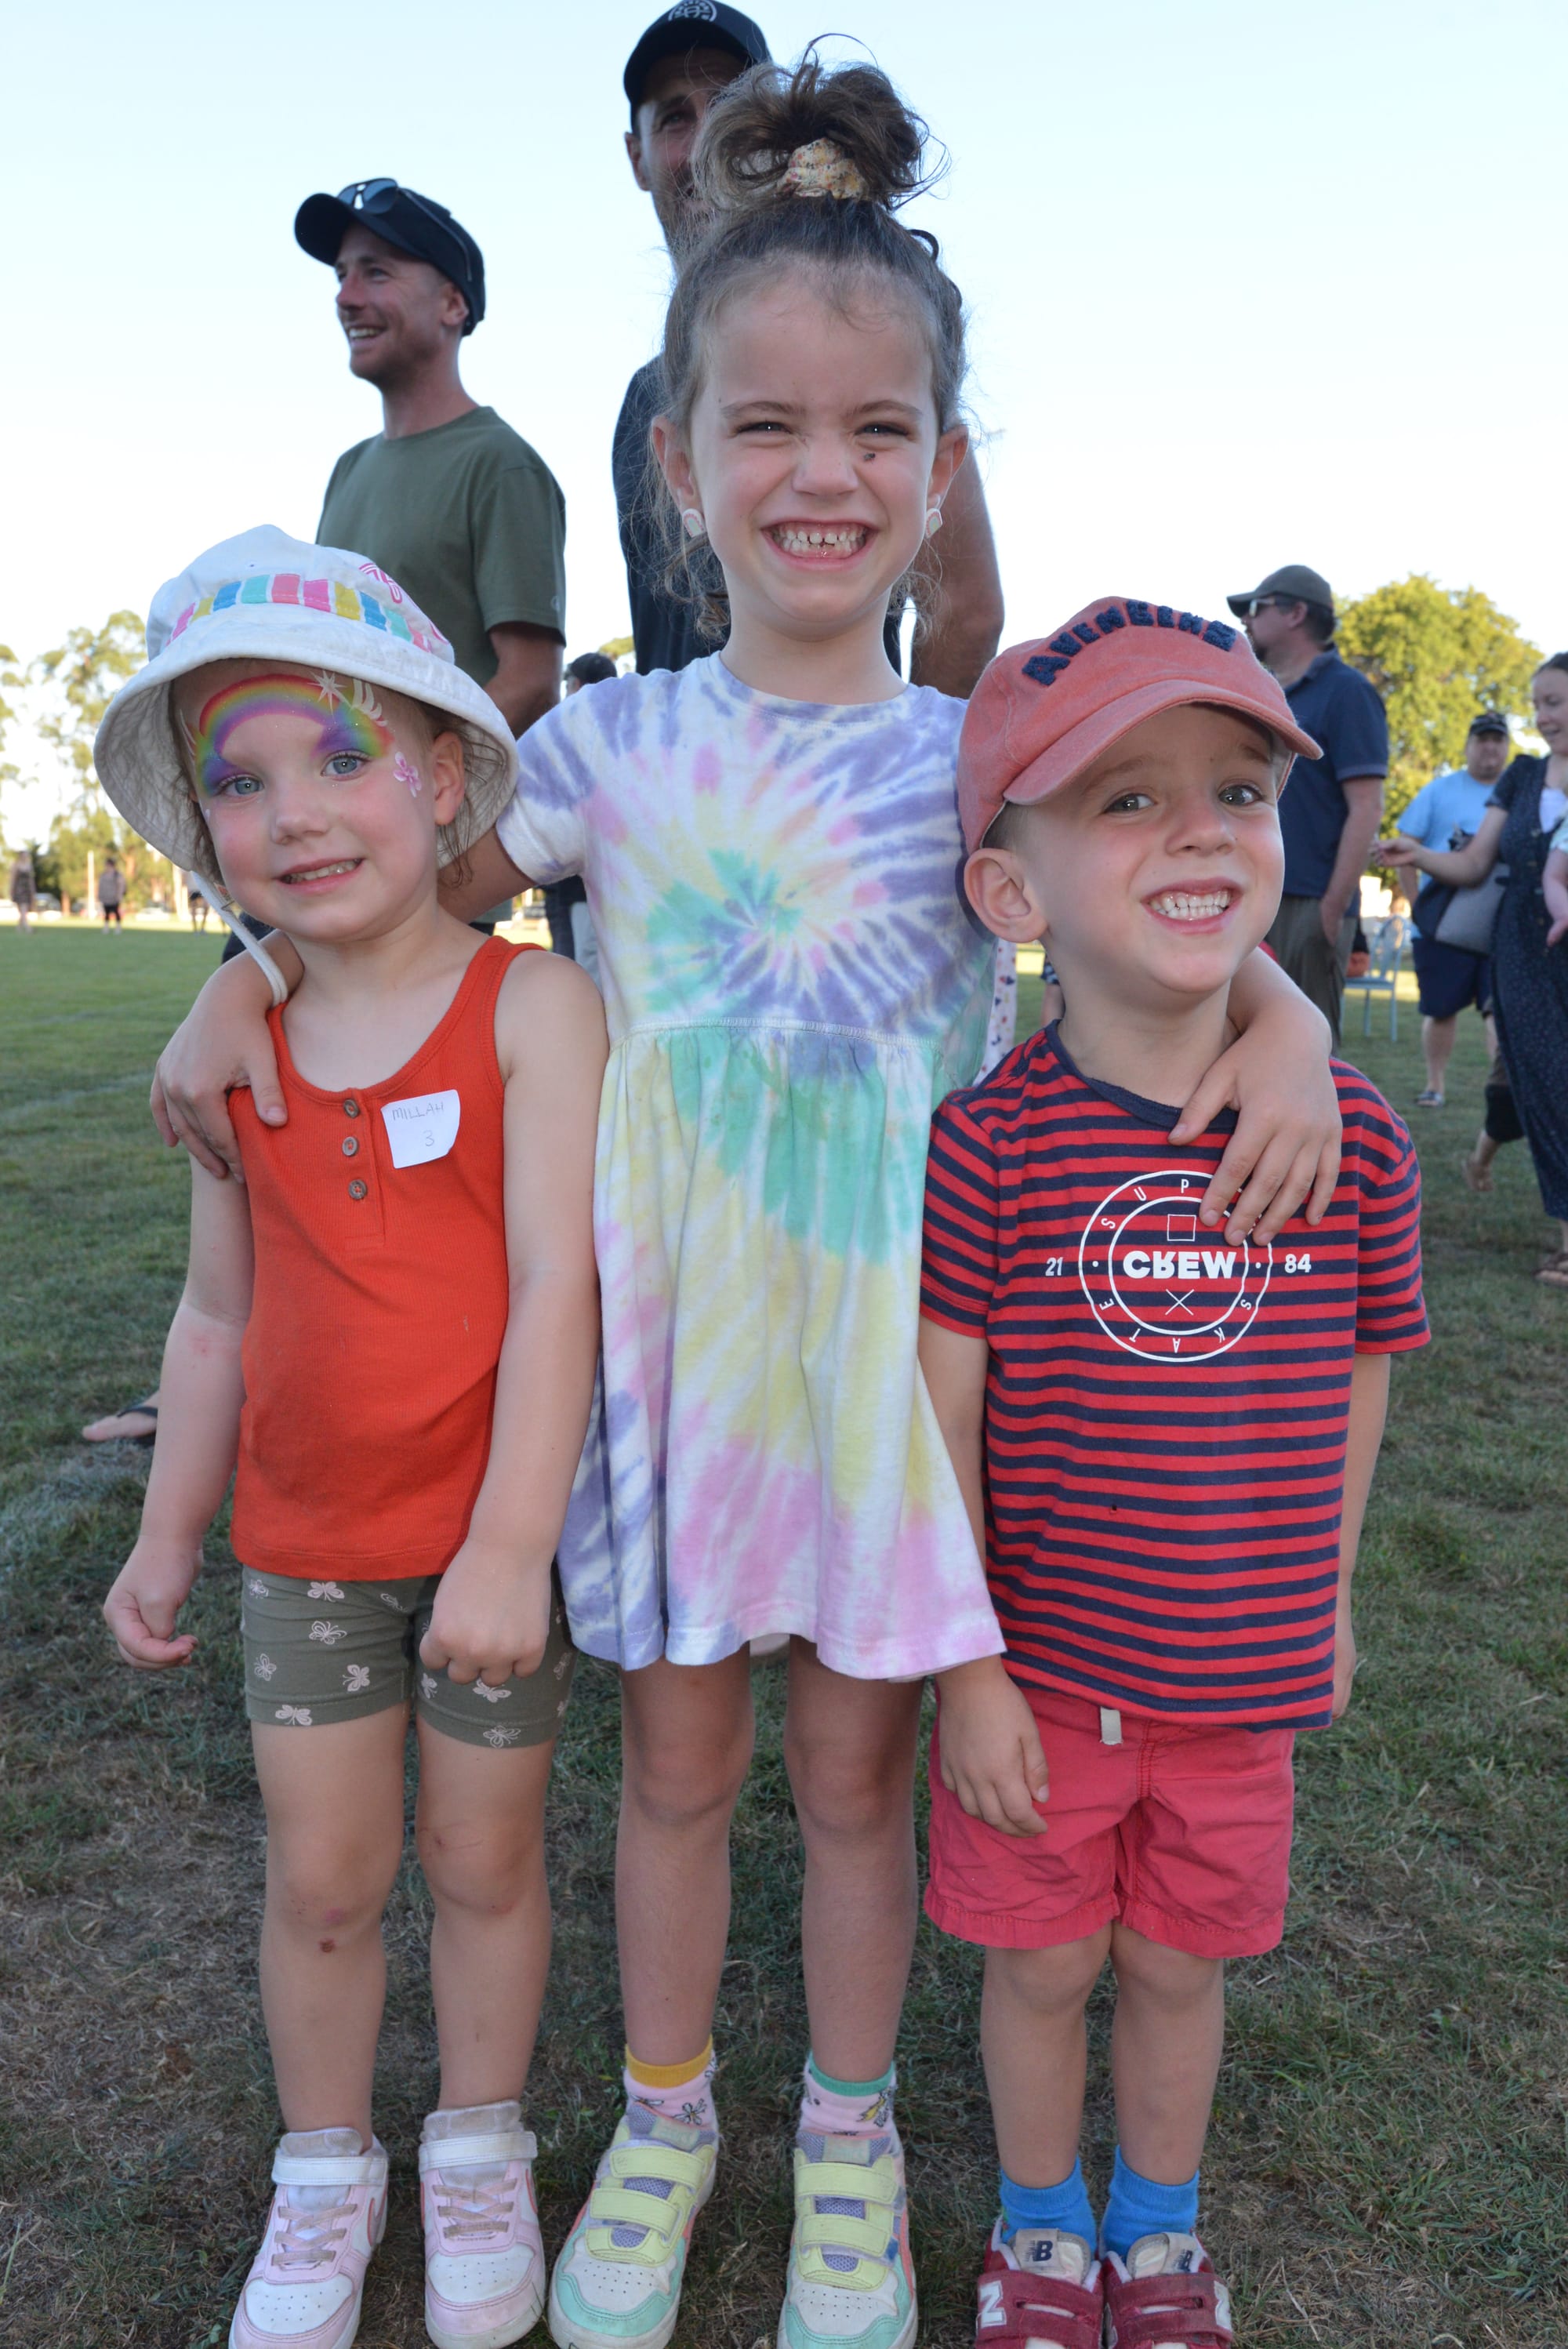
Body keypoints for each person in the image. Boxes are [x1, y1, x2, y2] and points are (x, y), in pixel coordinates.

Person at [148, 63, 1341, 2349]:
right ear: (680, 466)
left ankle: (850, 2138)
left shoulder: (972, 758)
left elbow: (1157, 886)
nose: (823, 471)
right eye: (765, 425)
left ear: (938, 466)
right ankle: (666, 2112)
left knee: (861, 1784)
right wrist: (243, 970)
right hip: (674, 1372)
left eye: (878, 428)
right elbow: (391, 901)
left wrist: (1281, 1017)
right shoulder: (604, 749)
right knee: (680, 1773)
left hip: (900, 1378)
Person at [95, 526, 606, 2349]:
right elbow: (215, 1315)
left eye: (339, 754)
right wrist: (169, 1533)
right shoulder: (234, 1047)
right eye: (239, 780)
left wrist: (508, 1546)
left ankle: (475, 2140)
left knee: (481, 1861)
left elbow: (557, 1287)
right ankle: (325, 2168)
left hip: (483, 1556)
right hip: (303, 1556)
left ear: (446, 776)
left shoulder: (535, 1008)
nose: (294, 812)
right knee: (322, 1878)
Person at [919, 607, 1428, 2347]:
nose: (1201, 830)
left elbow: (1359, 1370)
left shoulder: (1351, 1137)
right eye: (1127, 800)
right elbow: (941, 1417)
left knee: (1175, 1962)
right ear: (1014, 891)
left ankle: (1156, 2234)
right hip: (1044, 1680)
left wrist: (1328, 1595)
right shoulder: (988, 1143)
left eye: (1237, 789)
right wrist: (968, 1670)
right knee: (1044, 1960)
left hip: (1237, 1681)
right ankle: (1039, 2233)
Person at [1381, 652, 1568, 1288]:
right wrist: (1418, 855)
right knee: (1552, 1082)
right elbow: (1474, 865)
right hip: (1525, 953)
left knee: (1524, 1081)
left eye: (1556, 702)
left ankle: (1484, 1154)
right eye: (1538, 704)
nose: (1544, 716)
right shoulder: (1522, 776)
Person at [1228, 564, 1388, 1044]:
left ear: (1296, 613)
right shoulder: (1260, 691)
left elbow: (1367, 807)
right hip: (1251, 891)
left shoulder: (1348, 692)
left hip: (1309, 902)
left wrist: (1332, 909)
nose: (1245, 620)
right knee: (1238, 1040)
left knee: (1307, 1049)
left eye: (1255, 608)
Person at [1399, 710, 1512, 1104]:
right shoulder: (1439, 791)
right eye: (1482, 739)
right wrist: (1418, 909)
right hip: (1442, 926)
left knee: (1501, 1011)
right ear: (1468, 745)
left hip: (1501, 927)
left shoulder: (1518, 794)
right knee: (1441, 1009)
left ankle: (1503, 1093)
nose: (1490, 747)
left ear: (1507, 746)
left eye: (1497, 740)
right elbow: (1405, 849)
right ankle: (1435, 1086)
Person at [543, 653, 619, 967]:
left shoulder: (574, 736)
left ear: (577, 685)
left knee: (579, 967)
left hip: (577, 883)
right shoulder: (626, 736)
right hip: (600, 884)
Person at [9, 847, 36, 931]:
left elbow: (31, 879)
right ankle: (26, 926)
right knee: (22, 908)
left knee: (24, 908)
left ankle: (20, 927)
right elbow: (13, 878)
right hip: (19, 889)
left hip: (27, 889)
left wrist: (33, 890)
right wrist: (11, 890)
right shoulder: (16, 865)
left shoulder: (29, 865)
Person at [98, 851, 126, 931]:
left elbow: (121, 885)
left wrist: (119, 895)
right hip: (106, 898)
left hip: (114, 898)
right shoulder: (103, 875)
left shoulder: (117, 875)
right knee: (106, 913)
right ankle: (106, 927)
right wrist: (100, 895)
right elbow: (101, 886)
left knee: (116, 912)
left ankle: (118, 927)